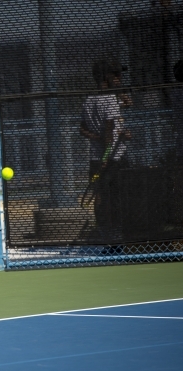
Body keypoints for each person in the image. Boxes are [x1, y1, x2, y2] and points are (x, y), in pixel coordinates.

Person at [80, 59, 132, 242]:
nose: (119, 78)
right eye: (115, 75)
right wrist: (107, 152)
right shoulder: (109, 99)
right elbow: (109, 128)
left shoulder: (89, 99)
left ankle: (103, 231)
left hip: (98, 158)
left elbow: (82, 129)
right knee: (114, 196)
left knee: (101, 195)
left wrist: (100, 138)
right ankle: (115, 232)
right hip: (112, 158)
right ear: (106, 76)